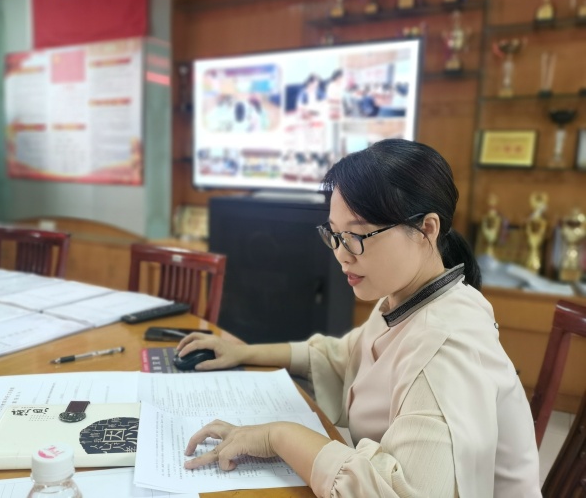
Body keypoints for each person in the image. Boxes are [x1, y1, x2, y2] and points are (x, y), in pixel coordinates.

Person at [176, 139, 540, 497]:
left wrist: (277, 436)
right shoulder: (405, 298)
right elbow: (343, 355)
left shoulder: (445, 347)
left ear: (427, 229)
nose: (341, 254)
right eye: (335, 234)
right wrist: (244, 352)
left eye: (359, 235)